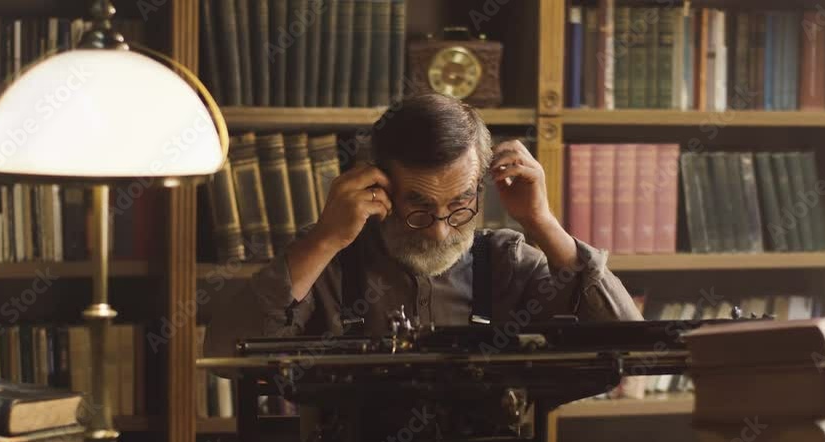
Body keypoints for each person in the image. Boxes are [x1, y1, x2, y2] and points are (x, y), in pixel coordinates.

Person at [204, 94, 643, 387]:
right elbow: (226, 355)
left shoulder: (507, 261)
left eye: (459, 204)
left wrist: (543, 222)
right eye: (418, 205)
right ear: (378, 186)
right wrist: (323, 240)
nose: (439, 229)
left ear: (480, 188)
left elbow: (630, 345)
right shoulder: (329, 260)